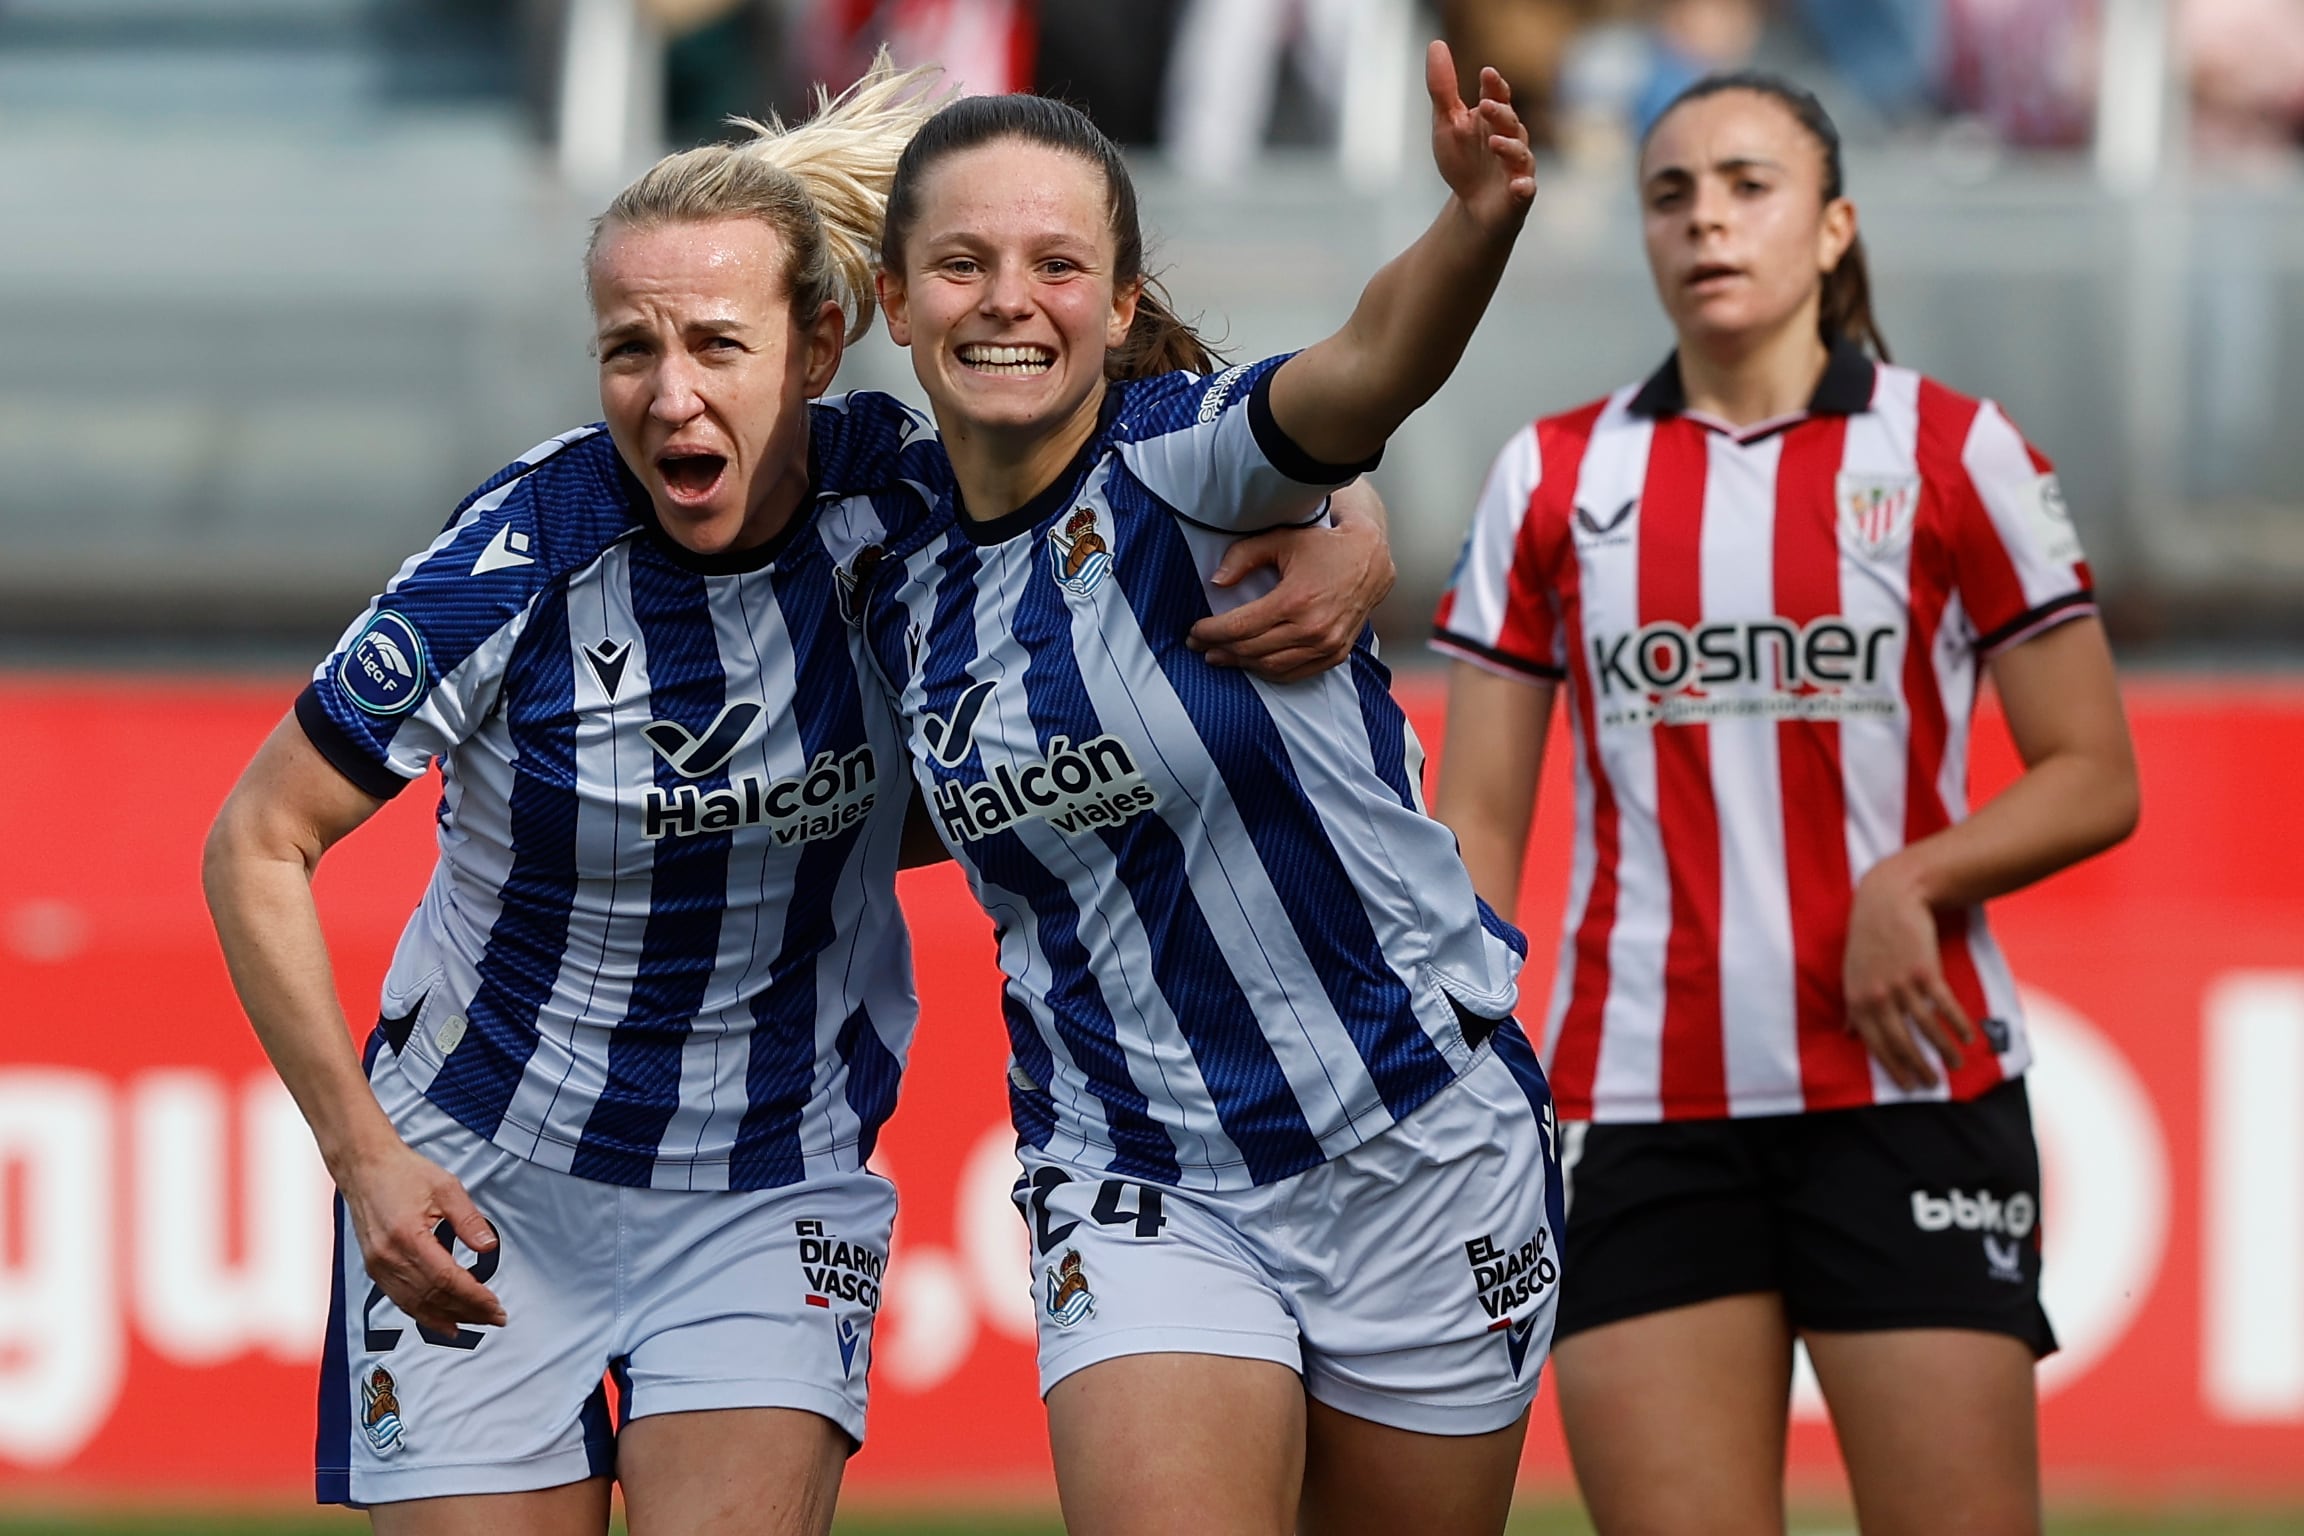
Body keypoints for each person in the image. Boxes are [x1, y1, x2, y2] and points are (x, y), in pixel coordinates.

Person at [201, 56, 1392, 1532]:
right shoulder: (522, 554)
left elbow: (1177, 439)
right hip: (479, 1179)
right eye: (628, 349)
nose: (671, 391)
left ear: (820, 343)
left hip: (771, 1190)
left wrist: (1347, 517)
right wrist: (365, 1164)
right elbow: (255, 839)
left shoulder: (903, 500)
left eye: (714, 341)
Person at [856, 42, 1561, 1536]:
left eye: (1056, 265)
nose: (1005, 299)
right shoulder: (883, 560)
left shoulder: (1189, 459)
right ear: (895, 300)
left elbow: (1365, 366)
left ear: (1117, 308)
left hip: (1418, 1136)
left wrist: (1475, 223)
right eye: (962, 264)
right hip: (1134, 1170)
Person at [1429, 72, 2140, 1536]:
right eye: (1672, 195)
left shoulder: (1955, 451)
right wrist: (1460, 1067)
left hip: (1909, 1088)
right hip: (1641, 1104)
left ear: (1832, 227)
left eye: (1749, 185)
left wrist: (1915, 881)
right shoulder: (1554, 474)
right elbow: (1477, 824)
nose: (1708, 220)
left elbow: (2095, 772)